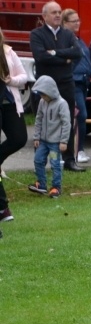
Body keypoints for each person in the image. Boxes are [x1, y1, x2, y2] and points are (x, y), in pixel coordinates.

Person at [29, 0, 84, 172]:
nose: (58, 15)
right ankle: (41, 159)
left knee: (66, 119)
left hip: (66, 83)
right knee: (43, 119)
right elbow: (40, 57)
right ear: (44, 16)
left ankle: (69, 159)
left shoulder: (67, 34)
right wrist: (63, 59)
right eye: (54, 12)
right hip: (45, 86)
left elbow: (77, 53)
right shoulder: (37, 34)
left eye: (59, 12)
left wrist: (54, 53)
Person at [0, 28, 30, 221]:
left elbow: (24, 77)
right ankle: (3, 207)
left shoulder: (8, 51)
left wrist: (11, 80)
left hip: (9, 102)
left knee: (19, 138)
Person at [27, 76, 70, 199]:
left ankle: (56, 187)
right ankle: (41, 184)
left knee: (55, 163)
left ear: (50, 91)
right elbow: (38, 119)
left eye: (43, 94)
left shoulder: (62, 104)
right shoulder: (42, 102)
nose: (42, 97)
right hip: (43, 142)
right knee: (38, 160)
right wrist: (36, 137)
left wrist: (63, 141)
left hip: (55, 144)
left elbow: (66, 123)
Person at [62, 9, 91, 164]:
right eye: (73, 21)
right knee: (79, 115)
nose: (77, 23)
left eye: (78, 20)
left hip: (83, 82)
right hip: (72, 82)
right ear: (64, 23)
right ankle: (76, 151)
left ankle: (79, 149)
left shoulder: (78, 39)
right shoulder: (65, 40)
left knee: (81, 116)